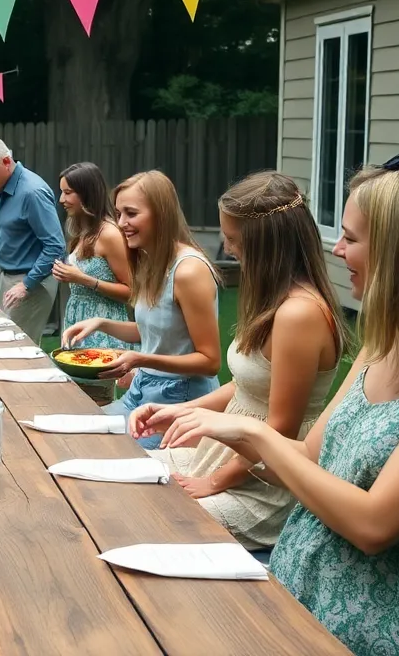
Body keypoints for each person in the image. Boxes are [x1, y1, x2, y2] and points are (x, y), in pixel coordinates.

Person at [142, 155, 399, 654]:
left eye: (353, 239)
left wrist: (252, 436)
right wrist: (219, 427)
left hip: (397, 634)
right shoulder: (384, 348)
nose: (336, 251)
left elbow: (373, 525)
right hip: (300, 602)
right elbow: (306, 458)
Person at [133, 171, 341, 550]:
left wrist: (213, 483)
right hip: (230, 456)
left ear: (266, 245)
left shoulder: (299, 314)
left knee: (155, 519)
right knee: (131, 477)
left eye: (232, 239)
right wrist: (180, 411)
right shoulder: (274, 299)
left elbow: (278, 434)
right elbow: (245, 385)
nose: (226, 249)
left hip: (261, 484)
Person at [62, 170, 221, 449]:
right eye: (119, 213)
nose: (121, 223)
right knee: (74, 435)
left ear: (161, 213)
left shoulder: (189, 270)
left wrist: (140, 360)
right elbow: (158, 332)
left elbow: (209, 361)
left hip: (177, 401)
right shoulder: (150, 261)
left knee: (99, 451)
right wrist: (101, 323)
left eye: (131, 214)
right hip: (140, 394)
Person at [0, 136, 66, 345]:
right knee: (3, 340)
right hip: (9, 277)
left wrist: (26, 285)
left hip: (33, 281)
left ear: (6, 162)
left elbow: (55, 246)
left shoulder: (33, 193)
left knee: (17, 347)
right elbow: (2, 225)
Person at [51, 162, 133, 350]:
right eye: (62, 192)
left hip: (104, 330)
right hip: (77, 320)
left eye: (68, 192)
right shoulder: (82, 231)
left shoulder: (110, 234)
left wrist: (83, 279)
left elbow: (131, 292)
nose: (62, 199)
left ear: (87, 193)